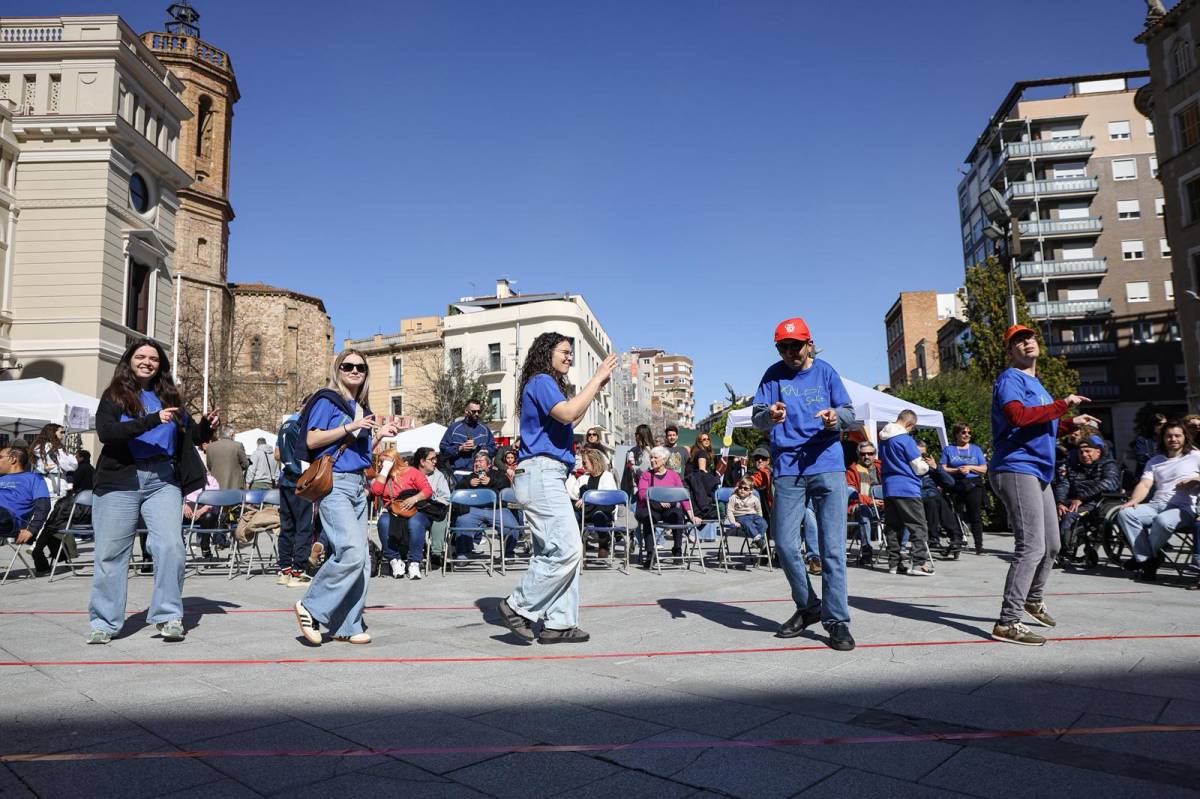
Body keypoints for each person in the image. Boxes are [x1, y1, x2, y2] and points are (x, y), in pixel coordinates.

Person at [87, 338, 217, 645]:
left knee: (171, 547)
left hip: (162, 479)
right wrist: (151, 420)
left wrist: (206, 427)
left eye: (154, 359)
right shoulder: (115, 395)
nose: (147, 362)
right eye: (141, 357)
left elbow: (188, 436)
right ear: (129, 361)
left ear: (161, 365)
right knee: (111, 553)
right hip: (120, 479)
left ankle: (169, 616)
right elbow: (107, 433)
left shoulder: (169, 396)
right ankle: (105, 622)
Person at [496, 332, 617, 645]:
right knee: (568, 549)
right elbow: (568, 413)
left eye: (570, 352)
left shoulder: (543, 384)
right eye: (564, 351)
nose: (569, 357)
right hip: (542, 472)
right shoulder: (541, 380)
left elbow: (569, 420)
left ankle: (560, 623)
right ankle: (517, 606)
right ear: (546, 353)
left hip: (544, 474)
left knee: (557, 551)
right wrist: (596, 378)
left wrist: (595, 388)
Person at [989, 325, 1099, 646]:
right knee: (1031, 546)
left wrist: (1069, 423)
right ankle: (1008, 622)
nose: (1027, 343)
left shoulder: (1037, 385)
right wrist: (1063, 404)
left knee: (1052, 545)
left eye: (1030, 338)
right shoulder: (1011, 378)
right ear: (1010, 351)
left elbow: (1041, 426)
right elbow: (1018, 417)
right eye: (1018, 341)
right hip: (1016, 467)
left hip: (1039, 472)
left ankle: (1032, 599)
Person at [752, 317, 856, 652]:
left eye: (796, 346)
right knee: (784, 544)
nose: (790, 352)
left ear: (809, 344)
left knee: (832, 548)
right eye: (783, 347)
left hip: (827, 464)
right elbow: (757, 418)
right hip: (788, 467)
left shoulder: (826, 372)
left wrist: (834, 418)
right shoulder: (772, 376)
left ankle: (836, 620)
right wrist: (770, 416)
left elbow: (849, 413)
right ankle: (809, 605)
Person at [293, 350, 398, 647]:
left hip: (356, 485)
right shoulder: (327, 399)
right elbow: (312, 439)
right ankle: (311, 606)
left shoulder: (361, 407)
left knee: (362, 561)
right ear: (337, 369)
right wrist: (350, 426)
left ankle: (346, 625)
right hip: (334, 483)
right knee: (351, 551)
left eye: (360, 367)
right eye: (348, 366)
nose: (354, 371)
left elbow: (357, 452)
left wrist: (379, 435)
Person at [1116, 421, 1200, 580]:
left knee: (1162, 521)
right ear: (1162, 438)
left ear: (1185, 437)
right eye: (1169, 436)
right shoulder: (1155, 461)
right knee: (1125, 513)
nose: (1173, 439)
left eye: (1177, 435)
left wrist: (1195, 480)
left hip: (1183, 508)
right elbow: (1145, 484)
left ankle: (1144, 559)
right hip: (1156, 504)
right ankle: (1147, 559)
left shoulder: (1195, 456)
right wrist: (1134, 500)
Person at [878, 410, 935, 577]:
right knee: (918, 525)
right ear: (910, 424)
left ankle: (894, 564)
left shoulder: (883, 440)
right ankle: (919, 563)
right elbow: (919, 467)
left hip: (889, 487)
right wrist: (927, 466)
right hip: (907, 487)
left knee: (893, 527)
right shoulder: (905, 439)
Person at [1053, 435, 1120, 566]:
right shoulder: (1072, 466)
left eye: (1088, 451)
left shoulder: (1109, 465)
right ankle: (1054, 549)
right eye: (1081, 452)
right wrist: (1060, 502)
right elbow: (1063, 484)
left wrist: (1081, 498)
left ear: (1098, 452)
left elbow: (1109, 483)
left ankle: (1064, 552)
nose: (1084, 454)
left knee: (1070, 516)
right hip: (1074, 502)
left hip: (1098, 503)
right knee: (1053, 514)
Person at [370, 450, 434, 579]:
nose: (381, 464)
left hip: (415, 510)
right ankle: (394, 560)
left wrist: (414, 499)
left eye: (383, 462)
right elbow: (376, 491)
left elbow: (428, 490)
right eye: (380, 462)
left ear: (394, 460)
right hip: (394, 512)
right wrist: (385, 470)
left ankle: (414, 562)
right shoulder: (383, 476)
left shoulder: (412, 472)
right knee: (383, 522)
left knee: (415, 523)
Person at [275, 400, 319, 587]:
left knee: (287, 527)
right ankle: (298, 572)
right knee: (304, 527)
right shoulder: (303, 426)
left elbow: (277, 454)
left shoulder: (286, 424)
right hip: (301, 481)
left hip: (285, 480)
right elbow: (311, 451)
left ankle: (284, 569)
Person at [636, 445, 701, 566]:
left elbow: (683, 497)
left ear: (664, 460)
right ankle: (650, 553)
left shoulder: (674, 475)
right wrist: (658, 501)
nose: (652, 460)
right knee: (649, 518)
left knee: (678, 514)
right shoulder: (646, 475)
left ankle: (677, 549)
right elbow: (642, 494)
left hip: (668, 508)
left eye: (655, 457)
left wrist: (691, 515)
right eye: (651, 457)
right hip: (650, 507)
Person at [452, 450, 519, 561]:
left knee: (511, 525)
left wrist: (491, 481)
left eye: (481, 461)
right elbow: (458, 490)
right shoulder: (470, 477)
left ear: (489, 465)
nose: (477, 463)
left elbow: (506, 484)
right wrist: (468, 483)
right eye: (476, 461)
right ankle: (464, 553)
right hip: (474, 510)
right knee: (462, 522)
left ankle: (508, 553)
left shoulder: (497, 474)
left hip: (496, 509)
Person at [940, 422, 988, 555]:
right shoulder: (949, 449)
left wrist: (970, 467)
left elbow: (984, 468)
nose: (967, 435)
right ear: (956, 434)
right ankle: (957, 541)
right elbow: (942, 468)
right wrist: (957, 470)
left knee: (975, 514)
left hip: (973, 484)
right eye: (964, 432)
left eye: (969, 432)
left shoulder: (976, 449)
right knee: (956, 513)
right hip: (956, 483)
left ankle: (979, 545)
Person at [0, 447, 51, 570]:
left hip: (11, 520)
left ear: (13, 459)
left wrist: (31, 530)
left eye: (0, 457)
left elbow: (43, 506)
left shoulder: (34, 478)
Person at [567, 447, 619, 559]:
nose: (583, 465)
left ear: (594, 461)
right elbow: (573, 494)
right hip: (586, 510)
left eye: (585, 462)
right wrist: (572, 477)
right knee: (572, 515)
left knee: (598, 515)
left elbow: (609, 498)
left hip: (603, 509)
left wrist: (588, 498)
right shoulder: (583, 478)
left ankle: (603, 543)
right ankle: (577, 546)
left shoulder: (607, 476)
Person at [916, 440, 961, 558]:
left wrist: (936, 467)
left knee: (943, 500)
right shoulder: (910, 467)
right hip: (919, 497)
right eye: (918, 455)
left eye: (923, 455)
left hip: (934, 496)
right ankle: (933, 539)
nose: (921, 458)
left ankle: (955, 538)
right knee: (933, 500)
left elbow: (950, 482)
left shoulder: (930, 468)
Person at [846, 440, 883, 567]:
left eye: (870, 453)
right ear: (858, 455)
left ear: (874, 454)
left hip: (884, 504)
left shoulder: (881, 467)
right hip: (862, 504)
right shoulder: (852, 471)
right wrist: (870, 501)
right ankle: (866, 550)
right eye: (863, 454)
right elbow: (852, 494)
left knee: (902, 508)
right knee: (863, 511)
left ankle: (900, 549)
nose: (866, 456)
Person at [439, 399, 496, 476]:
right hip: (460, 473)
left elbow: (493, 449)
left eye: (479, 411)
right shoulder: (454, 428)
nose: (477, 414)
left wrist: (485, 450)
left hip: (480, 473)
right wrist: (460, 448)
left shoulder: (484, 429)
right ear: (466, 411)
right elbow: (443, 449)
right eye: (474, 411)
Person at [30, 423, 78, 499]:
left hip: (39, 485)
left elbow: (37, 466)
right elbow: (72, 465)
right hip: (56, 486)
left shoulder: (37, 448)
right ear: (52, 433)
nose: (63, 435)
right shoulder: (56, 448)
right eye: (61, 432)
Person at [725, 476, 768, 552]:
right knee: (748, 523)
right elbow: (729, 511)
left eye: (745, 488)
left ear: (750, 491)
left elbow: (759, 510)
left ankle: (756, 540)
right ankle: (759, 541)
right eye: (740, 487)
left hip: (753, 515)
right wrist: (733, 522)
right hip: (740, 516)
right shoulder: (734, 498)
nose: (742, 490)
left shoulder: (754, 498)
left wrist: (759, 519)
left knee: (763, 523)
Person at [206, 426, 249, 491]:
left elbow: (209, 465)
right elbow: (245, 464)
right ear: (231, 434)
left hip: (216, 485)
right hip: (235, 485)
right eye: (234, 435)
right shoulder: (238, 445)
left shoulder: (210, 447)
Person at [620, 424, 654, 500]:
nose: (635, 436)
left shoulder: (649, 451)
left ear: (642, 435)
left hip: (645, 488)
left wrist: (632, 466)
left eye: (636, 434)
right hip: (634, 487)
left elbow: (643, 469)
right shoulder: (634, 450)